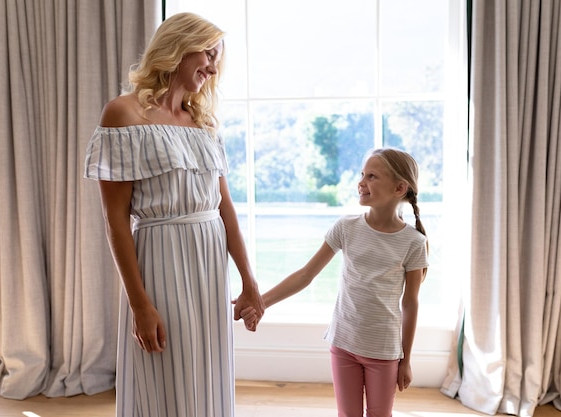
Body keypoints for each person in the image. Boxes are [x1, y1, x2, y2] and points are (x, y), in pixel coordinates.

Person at [83, 12, 265, 417]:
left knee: (207, 373)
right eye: (207, 53)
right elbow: (115, 221)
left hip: (208, 262)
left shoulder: (203, 123)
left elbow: (225, 209)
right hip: (160, 261)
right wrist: (139, 305)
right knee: (162, 372)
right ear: (177, 47)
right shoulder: (123, 114)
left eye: (217, 58)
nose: (213, 67)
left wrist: (249, 281)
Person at [240, 147, 428, 417]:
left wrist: (406, 359)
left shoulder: (413, 242)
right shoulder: (346, 227)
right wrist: (261, 303)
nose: (361, 182)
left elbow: (410, 304)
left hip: (383, 351)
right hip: (343, 343)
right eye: (362, 174)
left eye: (372, 176)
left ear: (400, 188)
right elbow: (306, 274)